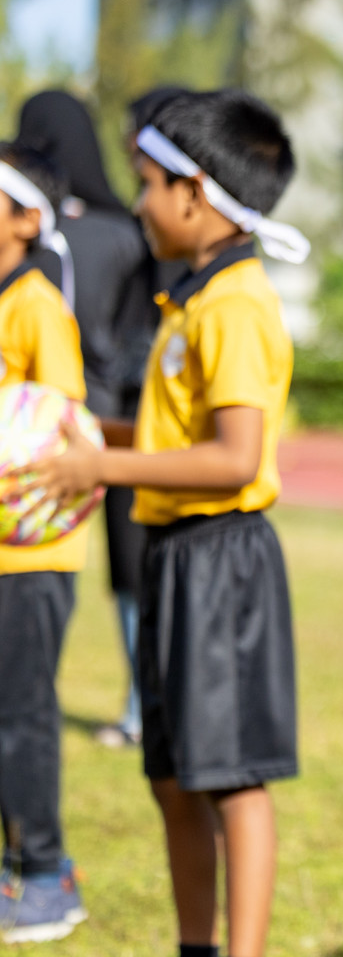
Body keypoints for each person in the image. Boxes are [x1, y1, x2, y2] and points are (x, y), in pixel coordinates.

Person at [21, 88, 310, 957]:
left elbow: (232, 458)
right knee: (173, 776)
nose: (137, 201)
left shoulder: (235, 309)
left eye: (147, 183)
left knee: (231, 781)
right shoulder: (189, 301)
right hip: (173, 558)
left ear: (195, 194)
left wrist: (100, 466)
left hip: (225, 562)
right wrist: (67, 431)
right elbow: (166, 436)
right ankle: (195, 946)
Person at [16, 89, 158, 748]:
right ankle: (140, 705)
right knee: (130, 572)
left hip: (30, 428)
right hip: (110, 417)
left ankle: (28, 686)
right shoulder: (129, 230)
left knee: (41, 563)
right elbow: (142, 332)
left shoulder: (31, 233)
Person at [0, 143, 90, 942]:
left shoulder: (35, 306)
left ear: (28, 219)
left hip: (30, 556)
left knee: (22, 714)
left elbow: (60, 423)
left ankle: (47, 875)